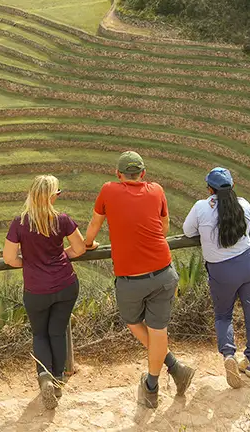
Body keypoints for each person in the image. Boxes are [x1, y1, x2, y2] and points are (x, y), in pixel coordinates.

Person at [84, 151, 196, 409]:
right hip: (163, 272)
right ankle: (161, 380)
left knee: (133, 322)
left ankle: (164, 377)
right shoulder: (156, 190)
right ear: (143, 174)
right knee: (159, 332)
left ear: (118, 174)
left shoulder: (108, 190)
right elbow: (164, 227)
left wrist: (88, 244)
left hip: (131, 279)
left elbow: (94, 225)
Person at [2, 175, 90, 409]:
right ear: (52, 196)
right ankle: (58, 380)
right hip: (65, 284)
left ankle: (44, 377)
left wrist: (31, 262)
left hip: (36, 289)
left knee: (40, 334)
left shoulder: (19, 223)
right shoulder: (62, 220)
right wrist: (61, 257)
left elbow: (9, 258)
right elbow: (80, 248)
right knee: (57, 332)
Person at [183, 167, 250, 389]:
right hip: (249, 264)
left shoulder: (201, 208)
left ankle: (229, 355)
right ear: (232, 186)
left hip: (221, 271)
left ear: (210, 189)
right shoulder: (244, 205)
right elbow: (249, 225)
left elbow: (188, 231)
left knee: (223, 316)